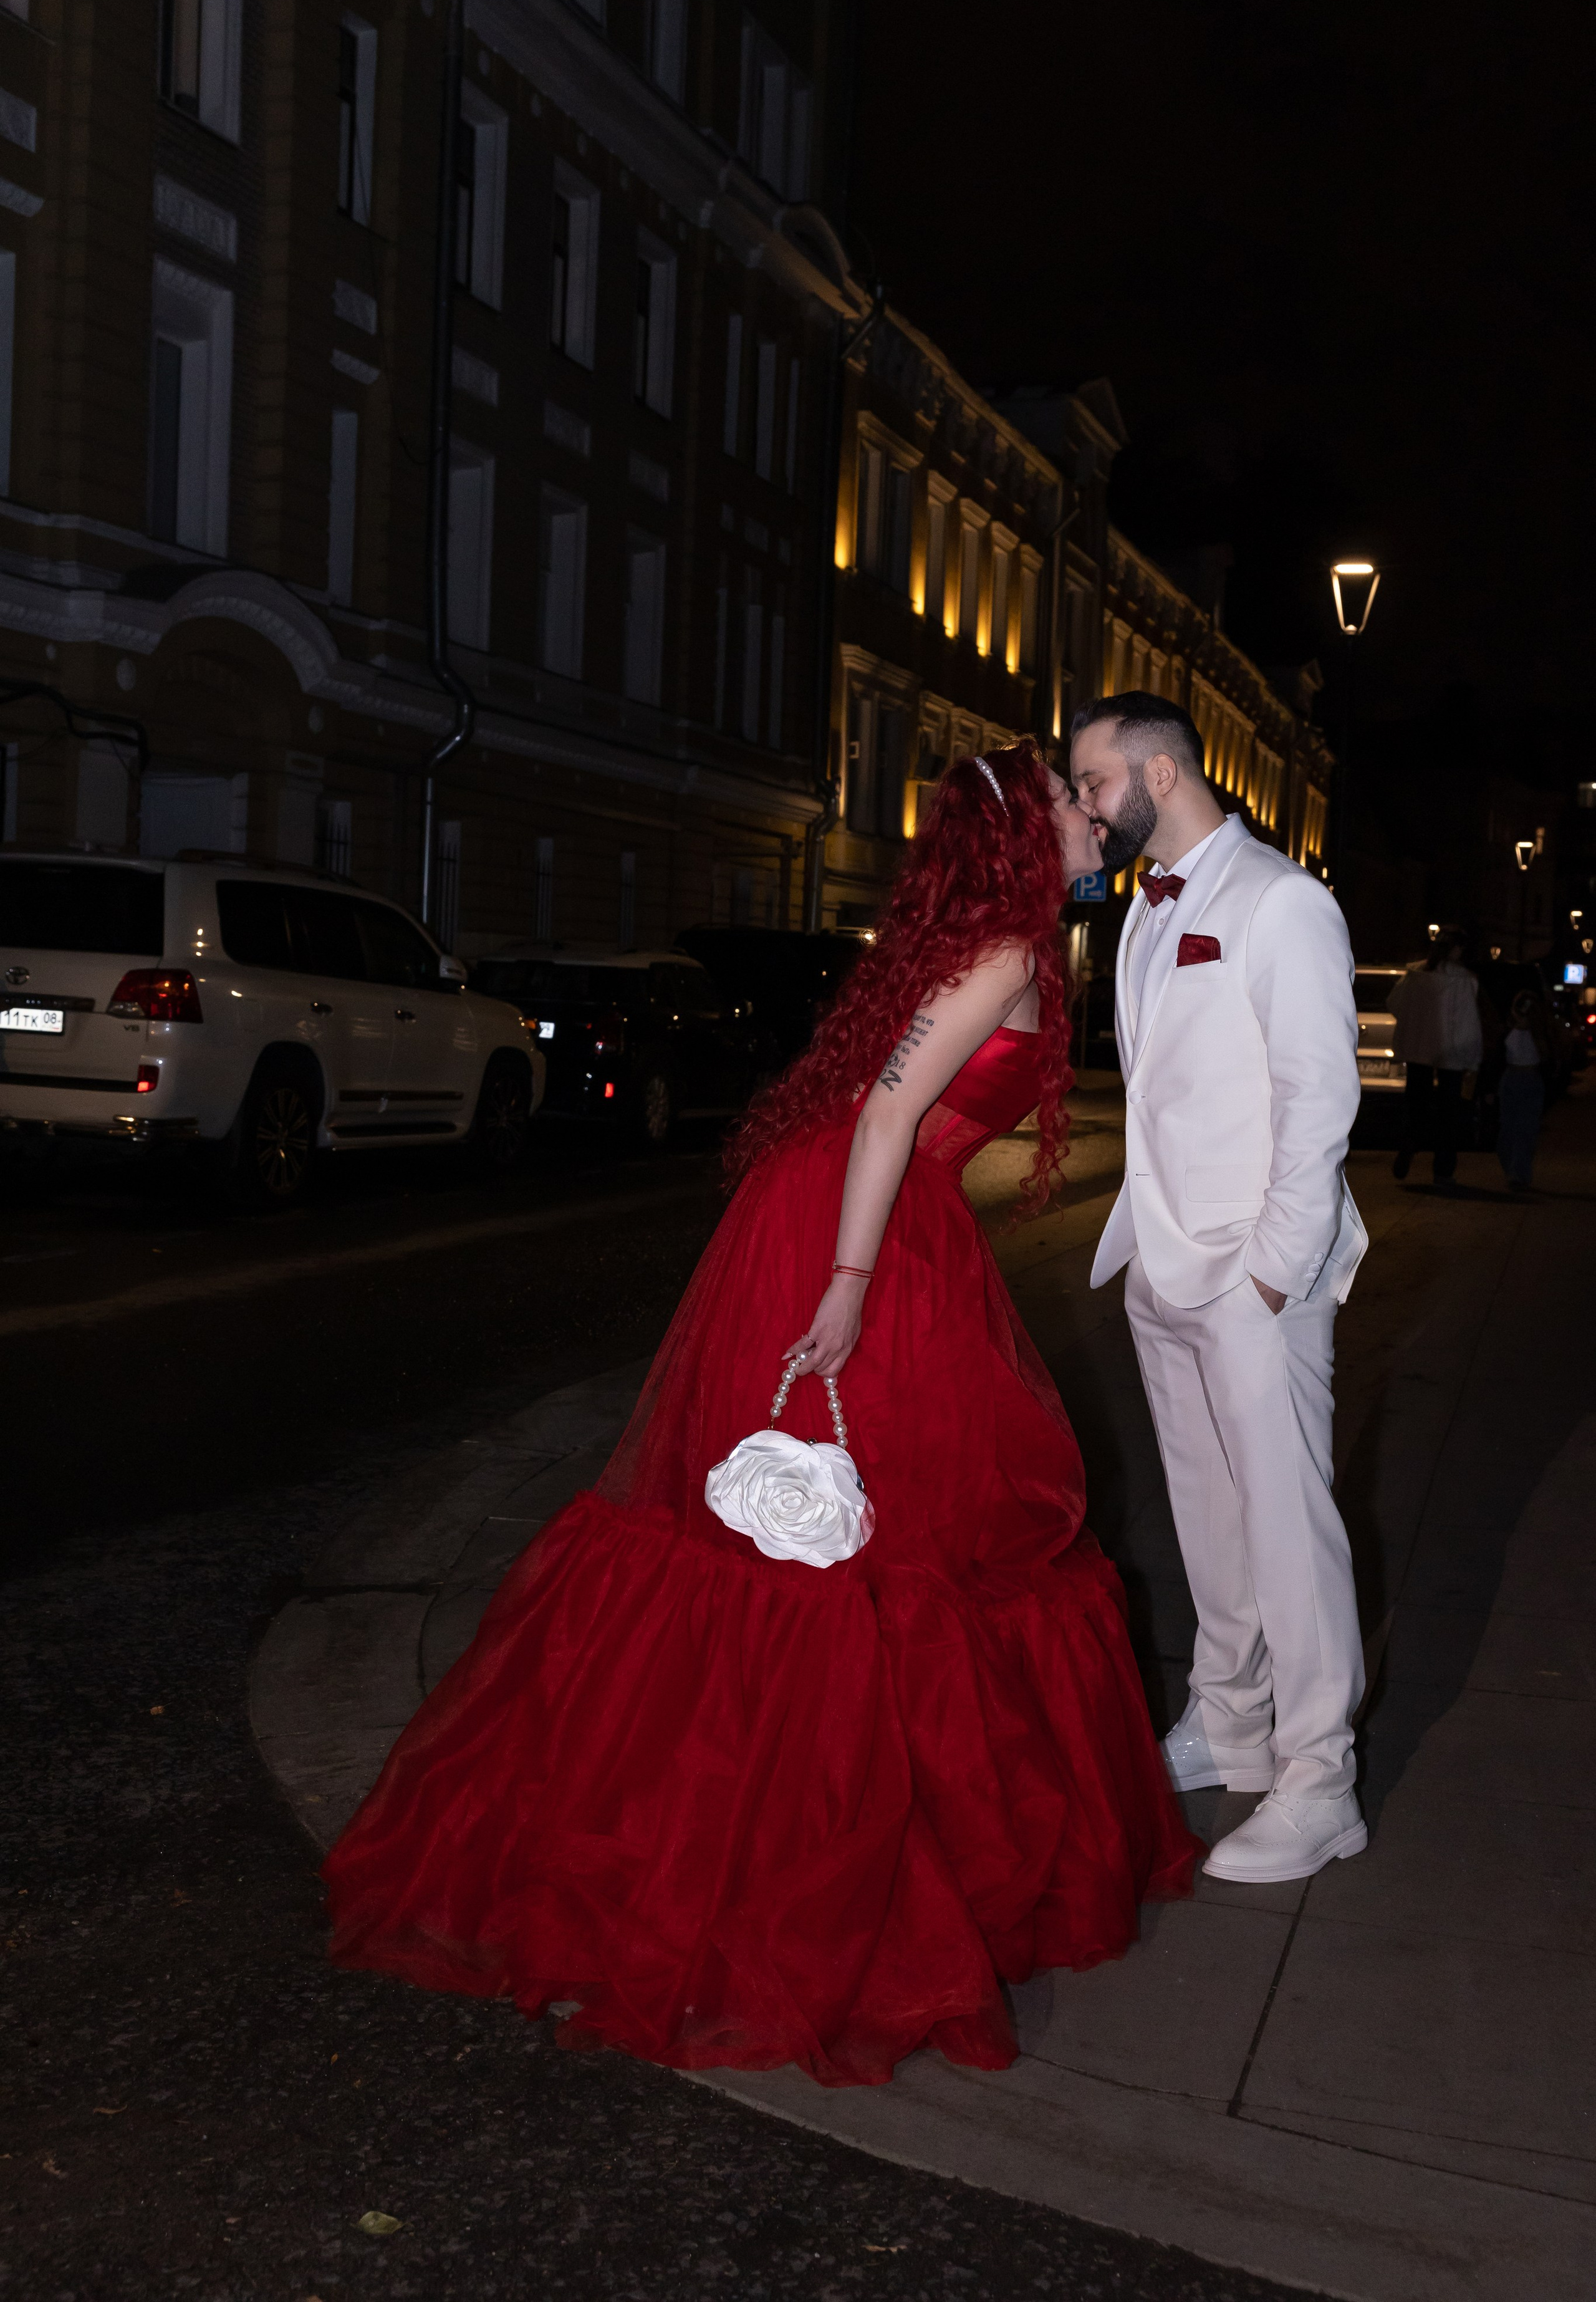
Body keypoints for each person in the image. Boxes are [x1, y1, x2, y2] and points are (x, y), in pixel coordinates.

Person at [323, 739, 1198, 2089]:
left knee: (830, 1549)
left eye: (1095, 803)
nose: (1100, 823)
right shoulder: (1000, 960)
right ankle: (760, 1881)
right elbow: (886, 1115)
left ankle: (736, 1842)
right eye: (1075, 810)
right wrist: (846, 1286)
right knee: (836, 1558)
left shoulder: (1002, 944)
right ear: (1025, 845)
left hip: (855, 1225)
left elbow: (880, 1108)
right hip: (848, 1239)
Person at [1069, 695, 1369, 1885]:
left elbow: (1318, 1100)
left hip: (1254, 1274)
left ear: (1156, 770)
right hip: (1164, 1261)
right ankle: (1232, 1720)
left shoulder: (1284, 901)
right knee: (1206, 1513)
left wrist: (1271, 1274)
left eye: (1093, 782)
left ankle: (1320, 1780)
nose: (1088, 806)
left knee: (1290, 1529)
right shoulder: (1148, 910)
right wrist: (1158, 1257)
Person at [1388, 929, 1484, 1193]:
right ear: (1456, 950)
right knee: (1449, 1114)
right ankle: (1442, 1171)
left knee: (1416, 1103)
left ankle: (1410, 1141)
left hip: (1418, 1050)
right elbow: (1468, 1024)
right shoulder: (1462, 979)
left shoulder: (1416, 973)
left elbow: (1394, 1003)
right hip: (1451, 1055)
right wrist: (1473, 1061)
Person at [1494, 988, 1551, 1192]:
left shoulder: (1539, 1031)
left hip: (1529, 1078)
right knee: (1507, 1130)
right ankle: (1512, 1170)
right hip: (1511, 1078)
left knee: (1525, 1130)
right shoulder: (1509, 1028)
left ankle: (1519, 1174)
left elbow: (1547, 1055)